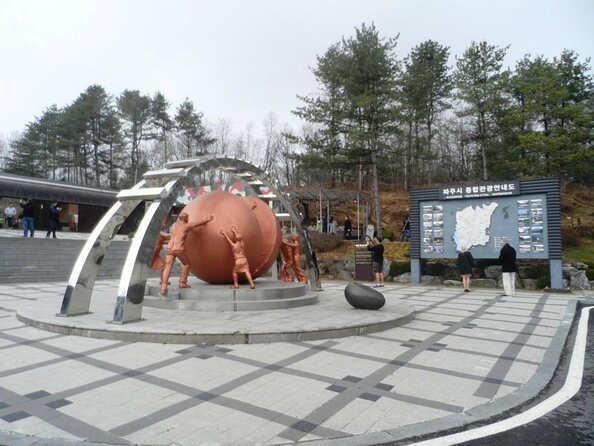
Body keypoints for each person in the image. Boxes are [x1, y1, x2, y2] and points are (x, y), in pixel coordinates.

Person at [161, 212, 214, 295]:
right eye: (187, 218)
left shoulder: (174, 225)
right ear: (185, 219)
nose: (188, 219)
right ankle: (182, 282)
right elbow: (196, 224)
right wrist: (207, 219)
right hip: (178, 248)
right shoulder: (186, 226)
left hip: (170, 248)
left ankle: (163, 287)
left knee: (167, 267)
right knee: (186, 264)